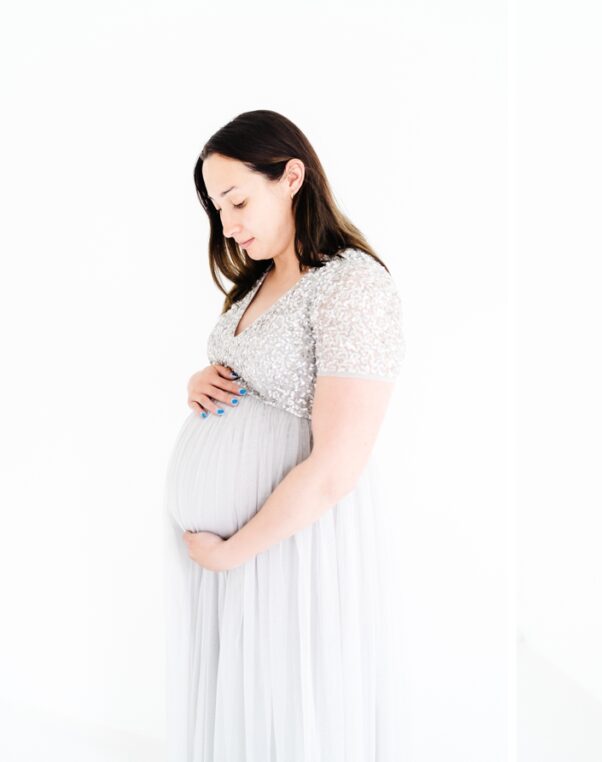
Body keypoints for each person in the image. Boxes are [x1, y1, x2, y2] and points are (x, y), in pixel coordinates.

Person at [162, 110, 405, 761]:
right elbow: (258, 374)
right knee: (240, 721)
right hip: (236, 552)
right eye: (218, 209)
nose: (229, 224)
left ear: (292, 176)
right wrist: (202, 382)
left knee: (290, 717)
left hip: (288, 547)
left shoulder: (352, 284)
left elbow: (336, 469)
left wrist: (236, 551)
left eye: (237, 200)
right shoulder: (259, 281)